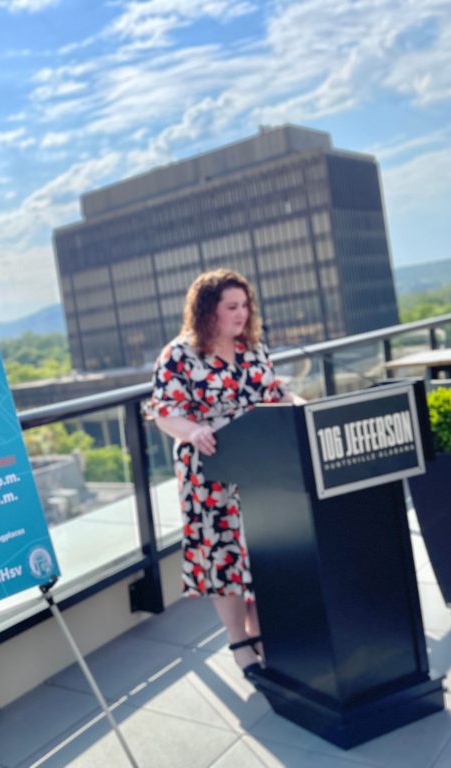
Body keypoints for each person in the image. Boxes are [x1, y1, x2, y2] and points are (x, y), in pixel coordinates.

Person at [145, 269, 304, 678]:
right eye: (231, 306)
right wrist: (194, 430)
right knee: (225, 560)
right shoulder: (178, 355)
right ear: (207, 311)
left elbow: (274, 395)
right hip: (210, 474)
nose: (241, 313)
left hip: (260, 468)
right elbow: (165, 414)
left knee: (260, 551)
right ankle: (240, 644)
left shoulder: (253, 349)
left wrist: (299, 404)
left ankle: (261, 631)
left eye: (245, 305)